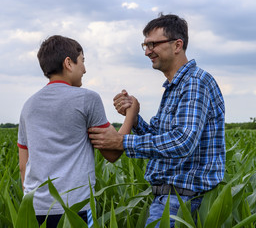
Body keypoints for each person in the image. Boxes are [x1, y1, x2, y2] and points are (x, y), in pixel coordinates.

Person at [88, 14, 226, 227]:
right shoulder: (175, 86)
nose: (147, 51)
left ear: (177, 45)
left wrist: (121, 142)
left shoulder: (194, 83)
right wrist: (134, 118)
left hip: (182, 201)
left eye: (153, 44)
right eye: (144, 44)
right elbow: (162, 139)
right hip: (173, 199)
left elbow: (182, 141)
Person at [17, 35, 138, 227]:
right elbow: (112, 152)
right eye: (82, 61)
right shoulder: (87, 99)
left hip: (33, 209)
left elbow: (24, 165)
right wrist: (132, 114)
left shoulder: (28, 106)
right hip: (75, 208)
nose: (84, 69)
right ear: (68, 63)